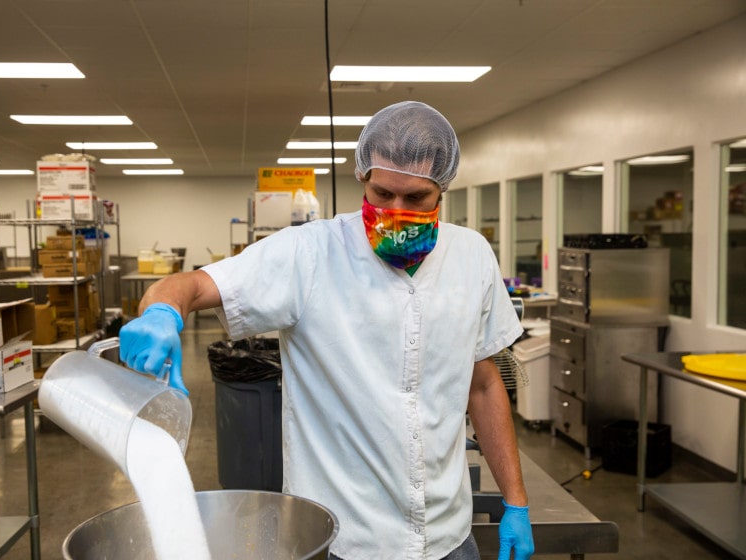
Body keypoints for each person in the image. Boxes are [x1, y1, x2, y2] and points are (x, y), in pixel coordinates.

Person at [120, 101, 535, 560]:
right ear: (362, 179)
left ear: (443, 189)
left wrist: (515, 500)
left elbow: (482, 382)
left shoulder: (472, 256)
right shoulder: (310, 254)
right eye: (381, 195)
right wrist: (162, 311)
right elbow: (189, 285)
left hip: (448, 537)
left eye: (415, 198)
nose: (396, 211)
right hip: (346, 540)